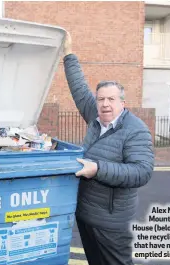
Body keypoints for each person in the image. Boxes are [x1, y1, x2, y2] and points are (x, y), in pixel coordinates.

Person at [62, 32, 155, 265]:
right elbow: (79, 87)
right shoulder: (95, 115)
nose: (105, 104)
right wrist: (68, 53)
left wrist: (98, 169)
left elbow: (142, 172)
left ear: (122, 103)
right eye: (101, 99)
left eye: (111, 99)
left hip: (112, 223)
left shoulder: (136, 130)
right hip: (85, 216)